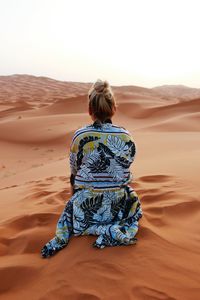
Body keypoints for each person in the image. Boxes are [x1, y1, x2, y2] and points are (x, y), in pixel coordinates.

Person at [41, 79, 143, 258]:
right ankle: (113, 228)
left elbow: (74, 170)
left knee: (74, 181)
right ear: (114, 109)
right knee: (130, 193)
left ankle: (84, 223)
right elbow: (127, 167)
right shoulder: (126, 136)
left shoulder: (81, 135)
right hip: (117, 208)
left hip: (85, 211)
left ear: (90, 110)